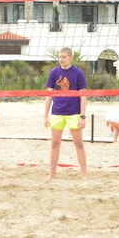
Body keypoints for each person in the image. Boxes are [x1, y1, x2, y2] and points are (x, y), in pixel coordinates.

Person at [43, 47, 88, 180]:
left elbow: (83, 95)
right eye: (60, 57)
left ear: (70, 58)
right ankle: (52, 174)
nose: (61, 59)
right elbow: (49, 95)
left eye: (64, 57)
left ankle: (84, 174)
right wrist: (45, 116)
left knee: (78, 143)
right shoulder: (54, 72)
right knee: (55, 143)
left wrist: (83, 116)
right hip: (57, 112)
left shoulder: (78, 72)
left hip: (74, 113)